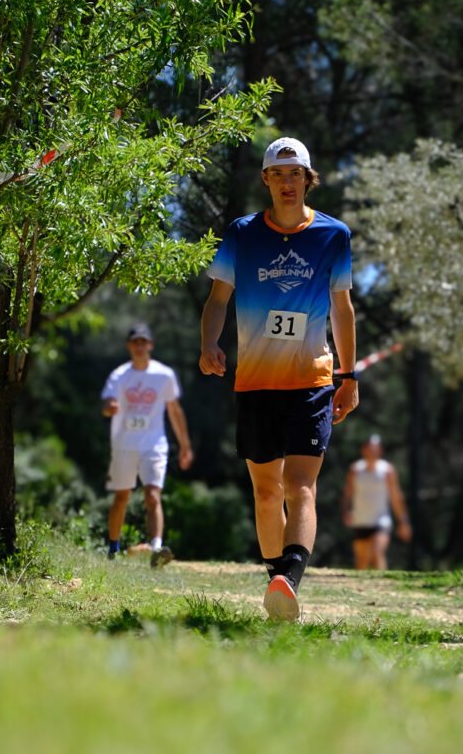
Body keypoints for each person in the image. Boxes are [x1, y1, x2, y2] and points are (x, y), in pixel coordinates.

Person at [199, 136, 359, 621]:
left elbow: (342, 309)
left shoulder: (334, 235)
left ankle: (289, 577)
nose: (288, 183)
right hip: (255, 381)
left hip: (312, 378)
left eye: (296, 174)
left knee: (300, 486)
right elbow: (218, 300)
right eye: (278, 174)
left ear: (308, 179)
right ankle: (277, 586)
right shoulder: (242, 234)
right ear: (266, 180)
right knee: (266, 492)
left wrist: (348, 375)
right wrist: (209, 343)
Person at [102, 323, 193, 567]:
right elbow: (106, 402)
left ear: (150, 345)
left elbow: (175, 410)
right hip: (124, 443)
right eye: (135, 342)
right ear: (129, 346)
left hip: (154, 443)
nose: (140, 346)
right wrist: (110, 408)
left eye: (144, 342)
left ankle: (156, 549)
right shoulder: (119, 375)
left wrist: (185, 445)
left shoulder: (164, 375)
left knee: (153, 496)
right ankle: (113, 549)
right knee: (121, 496)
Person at [341, 434, 412, 570]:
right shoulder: (355, 470)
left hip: (381, 520)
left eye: (375, 448)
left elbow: (396, 497)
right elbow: (347, 493)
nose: (371, 451)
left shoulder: (387, 471)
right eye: (369, 448)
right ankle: (360, 588)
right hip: (360, 520)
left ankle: (382, 586)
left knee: (376, 553)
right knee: (362, 561)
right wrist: (346, 511)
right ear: (363, 450)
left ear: (380, 450)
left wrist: (403, 521)